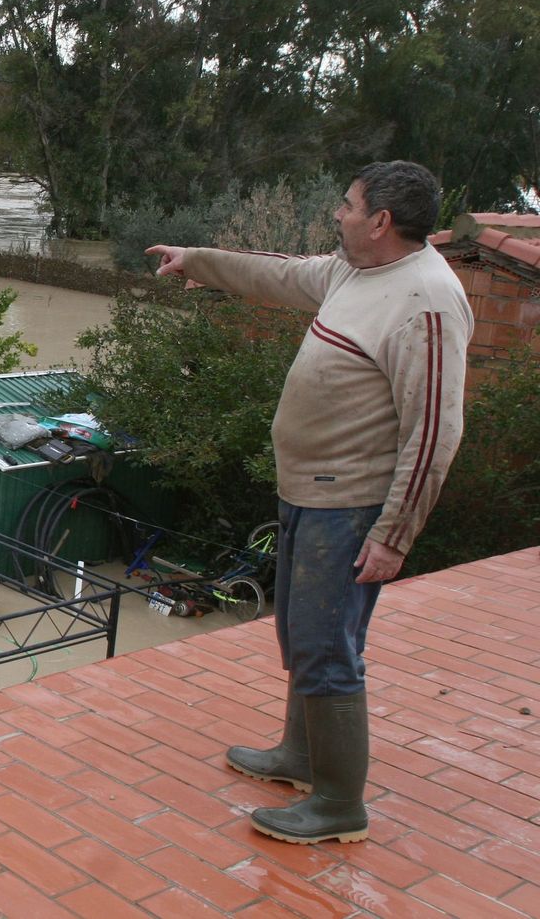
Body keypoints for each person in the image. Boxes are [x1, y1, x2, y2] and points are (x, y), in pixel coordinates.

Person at [145, 161, 472, 845]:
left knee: (328, 648)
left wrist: (394, 535)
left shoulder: (428, 301)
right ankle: (300, 757)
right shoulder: (356, 270)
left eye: (348, 206)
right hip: (308, 492)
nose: (339, 215)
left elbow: (435, 430)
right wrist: (197, 260)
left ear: (381, 220)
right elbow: (282, 273)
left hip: (351, 506)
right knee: (301, 633)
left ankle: (338, 803)